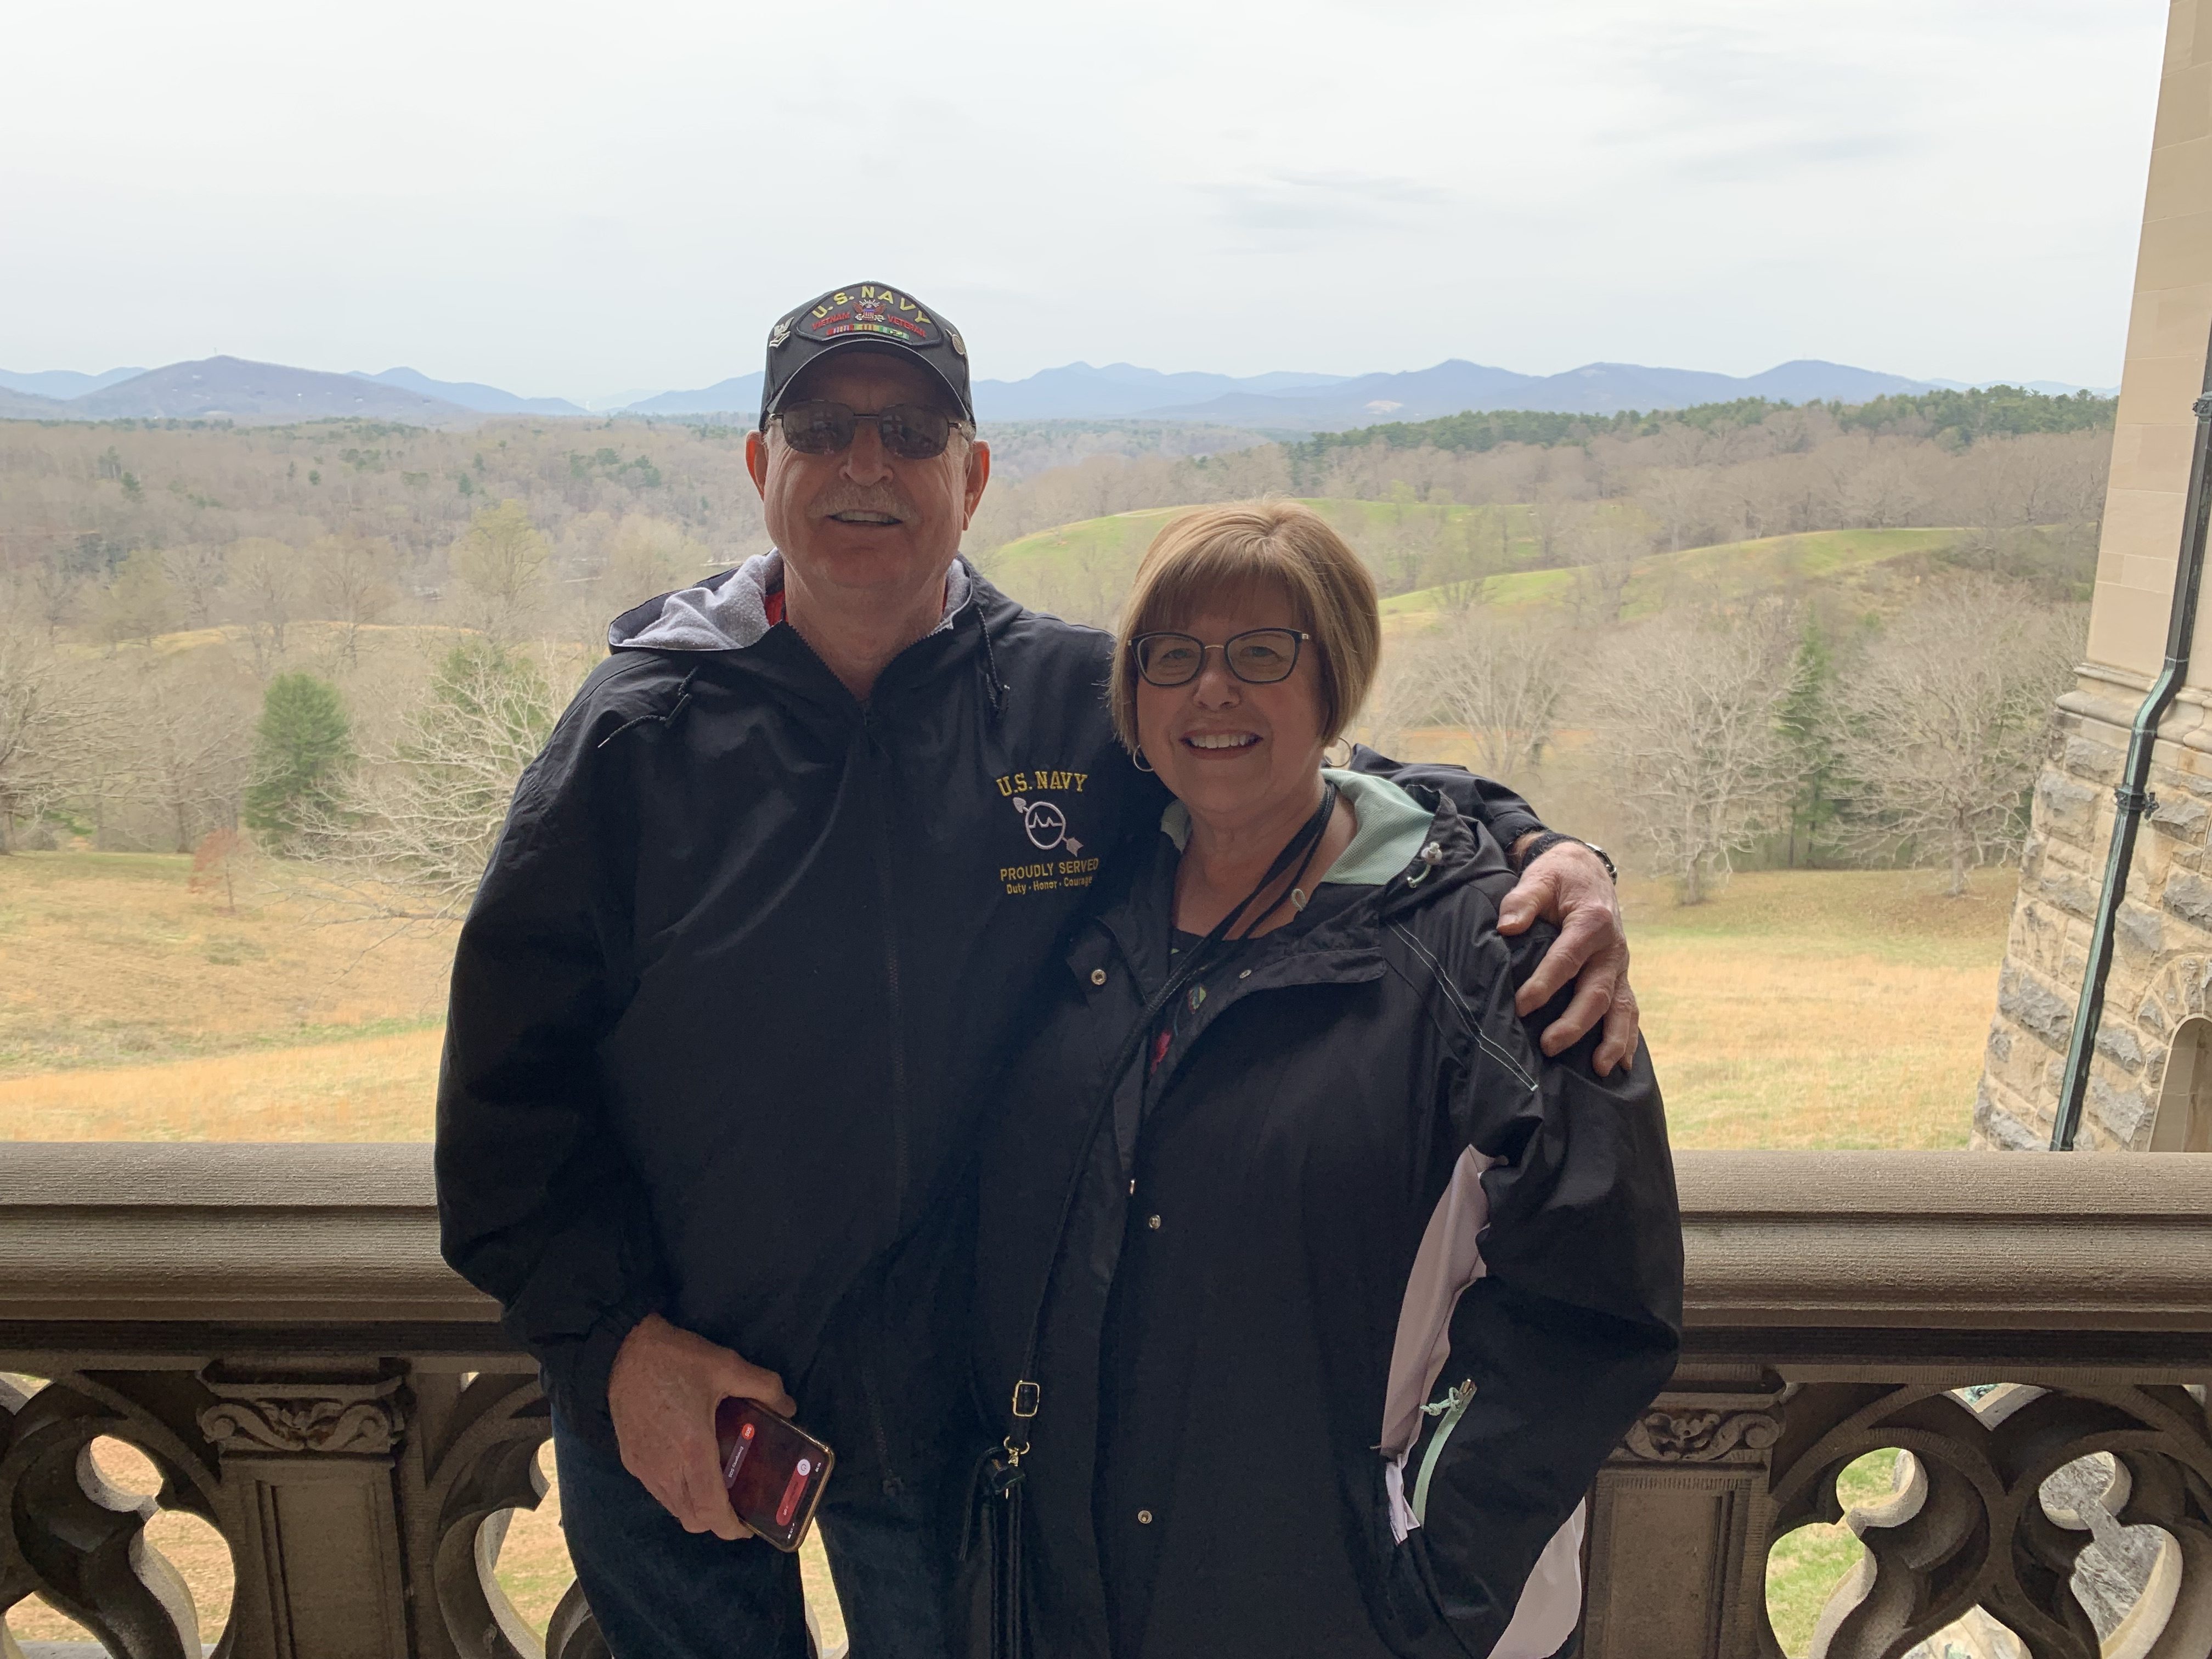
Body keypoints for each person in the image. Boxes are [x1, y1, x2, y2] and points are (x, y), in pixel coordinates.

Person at [435, 282, 1641, 1659]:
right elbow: (504, 1105)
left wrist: (1540, 844)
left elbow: (1290, 773)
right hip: (678, 1403)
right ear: (762, 465)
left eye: (912, 431)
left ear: (974, 476)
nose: (866, 464)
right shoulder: (636, 736)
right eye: (822, 430)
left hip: (953, 1413)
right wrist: (612, 1346)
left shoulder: (1070, 704)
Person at [972, 501, 1683, 1659]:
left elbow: (1591, 1303)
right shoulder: (1087, 895)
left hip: (1324, 1599)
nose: (1212, 690)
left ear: (1333, 680)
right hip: (1069, 1588)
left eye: (1261, 653)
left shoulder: (1493, 953)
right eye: (1173, 655)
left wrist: (1425, 1578)